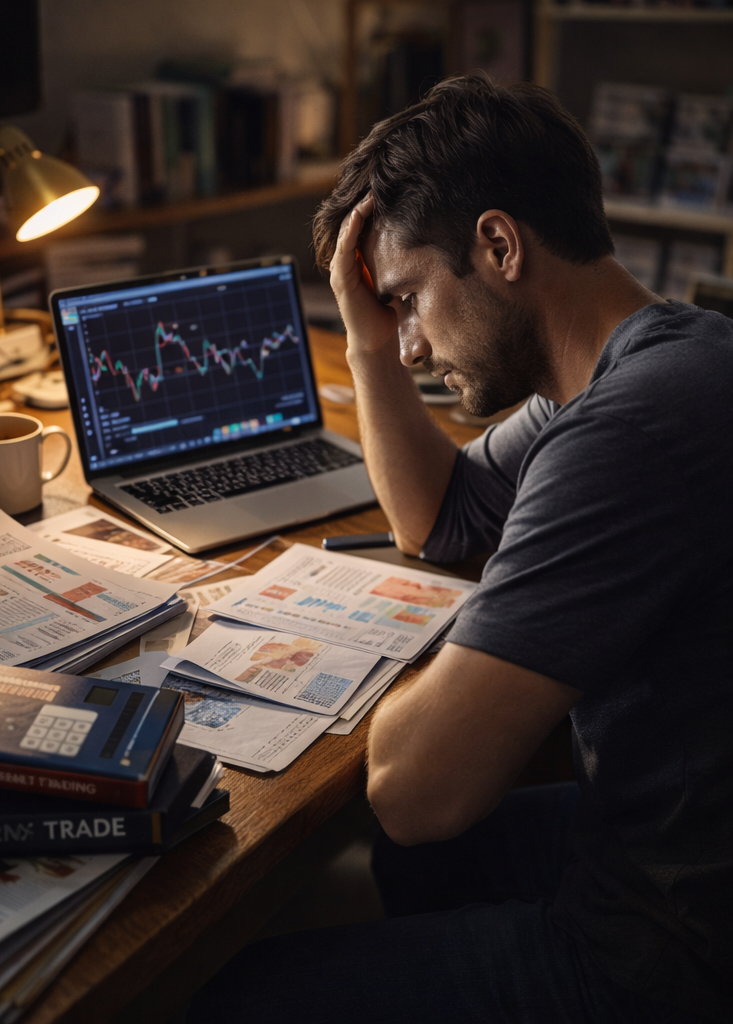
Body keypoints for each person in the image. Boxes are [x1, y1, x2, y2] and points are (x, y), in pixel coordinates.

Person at [188, 76, 730, 1022]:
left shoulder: (622, 437)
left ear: (499, 244)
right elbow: (438, 519)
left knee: (232, 996)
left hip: (674, 941)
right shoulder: (667, 357)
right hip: (678, 825)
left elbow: (414, 789)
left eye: (407, 299)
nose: (407, 347)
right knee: (421, 862)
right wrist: (362, 336)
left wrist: (382, 660)